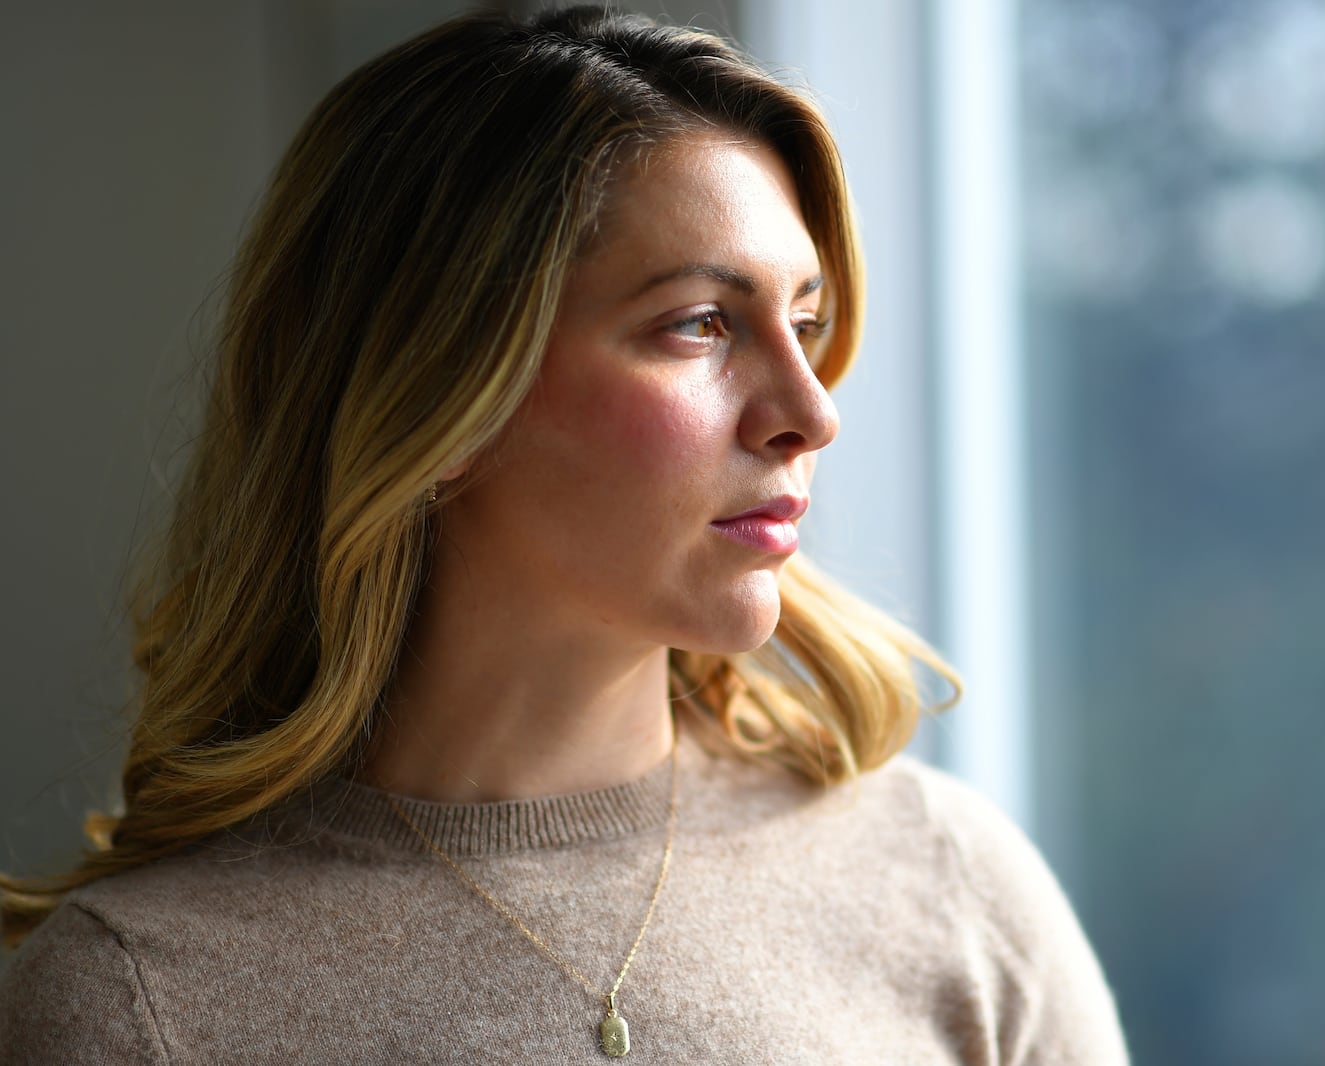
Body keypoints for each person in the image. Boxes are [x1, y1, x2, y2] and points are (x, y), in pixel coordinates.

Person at [0, 7, 1127, 1063]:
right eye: (699, 325)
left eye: (806, 322)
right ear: (440, 392)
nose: (809, 410)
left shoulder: (946, 886)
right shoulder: (138, 1006)